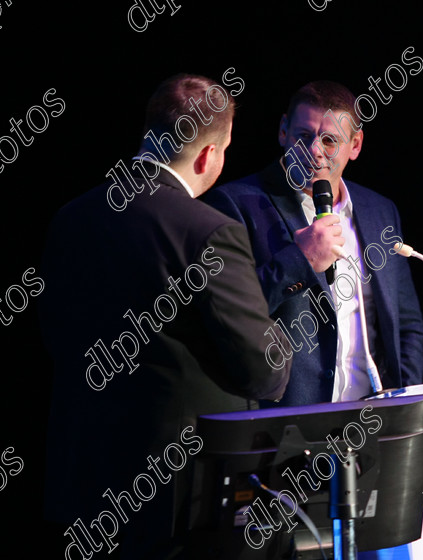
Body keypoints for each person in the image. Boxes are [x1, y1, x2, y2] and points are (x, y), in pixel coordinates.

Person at [39, 73, 292, 559]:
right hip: (174, 497)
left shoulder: (71, 217)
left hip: (83, 484)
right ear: (207, 156)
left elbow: (55, 336)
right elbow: (263, 371)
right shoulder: (208, 231)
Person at [202, 80, 423, 408]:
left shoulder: (381, 211)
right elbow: (226, 317)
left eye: (329, 140)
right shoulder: (236, 205)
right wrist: (299, 260)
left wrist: (403, 401)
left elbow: (407, 324)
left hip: (374, 420)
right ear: (283, 132)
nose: (314, 150)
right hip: (288, 425)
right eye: (303, 136)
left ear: (355, 144)